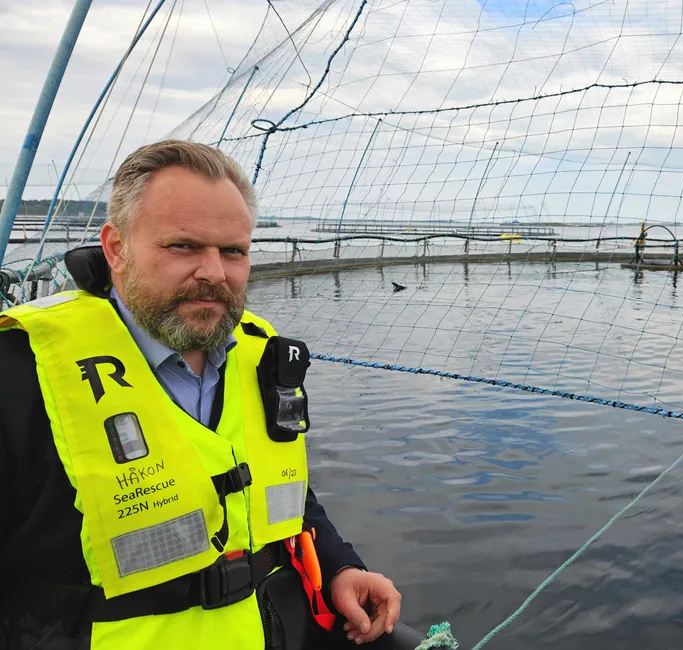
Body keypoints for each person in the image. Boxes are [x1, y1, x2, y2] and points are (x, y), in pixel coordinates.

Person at [0, 140, 417, 650]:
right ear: (116, 248)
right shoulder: (22, 373)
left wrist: (338, 565)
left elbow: (279, 491)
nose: (214, 273)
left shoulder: (262, 356)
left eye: (233, 251)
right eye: (183, 246)